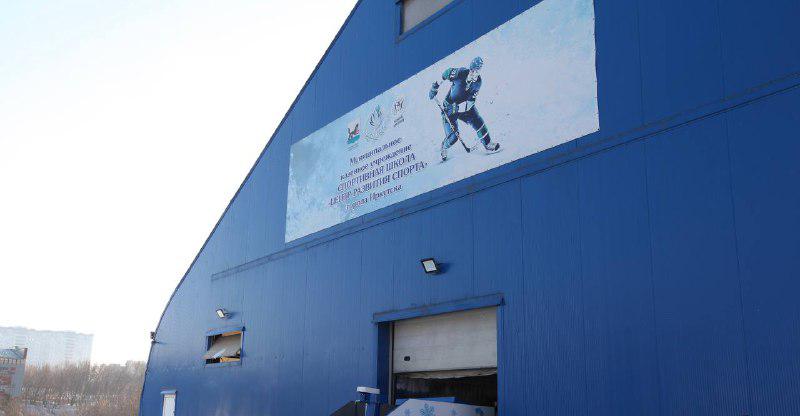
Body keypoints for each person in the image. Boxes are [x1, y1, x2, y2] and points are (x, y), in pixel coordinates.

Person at [429, 56, 500, 161]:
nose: (474, 74)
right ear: (470, 69)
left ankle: (488, 144)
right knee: (453, 137)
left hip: (465, 107)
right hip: (449, 107)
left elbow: (471, 102)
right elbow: (445, 73)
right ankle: (444, 146)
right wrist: (435, 87)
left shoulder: (478, 82)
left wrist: (458, 108)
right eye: (472, 70)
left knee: (478, 121)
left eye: (477, 71)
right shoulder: (460, 73)